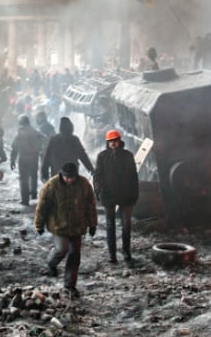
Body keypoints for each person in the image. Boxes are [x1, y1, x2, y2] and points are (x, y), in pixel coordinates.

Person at [34, 161, 98, 297]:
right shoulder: (52, 185)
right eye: (67, 177)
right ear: (62, 175)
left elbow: (90, 205)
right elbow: (42, 206)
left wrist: (93, 224)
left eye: (72, 177)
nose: (70, 180)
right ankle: (51, 263)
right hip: (59, 225)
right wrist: (39, 224)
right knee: (62, 249)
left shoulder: (84, 184)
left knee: (75, 255)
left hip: (77, 226)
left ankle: (70, 285)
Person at [92, 129, 140, 264]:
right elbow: (97, 176)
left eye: (115, 141)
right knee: (110, 226)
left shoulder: (128, 156)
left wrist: (134, 194)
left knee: (126, 226)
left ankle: (126, 252)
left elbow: (133, 177)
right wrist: (98, 192)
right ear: (107, 143)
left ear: (120, 141)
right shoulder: (102, 156)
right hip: (109, 195)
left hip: (126, 195)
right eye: (111, 141)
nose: (113, 143)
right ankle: (112, 254)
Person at [41, 116, 94, 184]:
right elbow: (83, 155)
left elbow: (47, 157)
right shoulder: (75, 139)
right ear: (71, 127)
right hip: (72, 173)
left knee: (58, 192)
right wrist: (91, 169)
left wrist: (44, 172)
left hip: (56, 172)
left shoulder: (54, 139)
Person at [10, 114, 45, 206]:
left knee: (23, 178)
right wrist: (40, 150)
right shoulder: (35, 131)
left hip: (24, 157)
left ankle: (25, 199)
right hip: (34, 157)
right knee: (33, 175)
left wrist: (12, 160)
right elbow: (44, 140)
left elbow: (15, 148)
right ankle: (33, 193)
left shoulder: (20, 133)